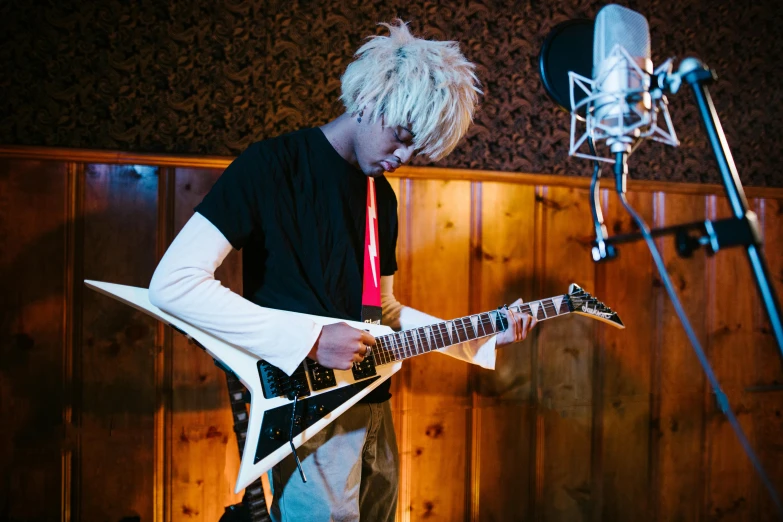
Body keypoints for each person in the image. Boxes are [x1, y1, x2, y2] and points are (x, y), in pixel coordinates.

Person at [149, 20, 537, 522]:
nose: (403, 157)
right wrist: (310, 340)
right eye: (401, 137)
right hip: (307, 416)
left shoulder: (383, 198)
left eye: (416, 150)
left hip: (374, 406)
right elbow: (173, 283)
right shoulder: (271, 165)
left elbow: (384, 313)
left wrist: (482, 335)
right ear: (370, 99)